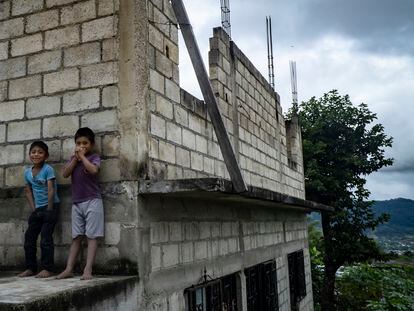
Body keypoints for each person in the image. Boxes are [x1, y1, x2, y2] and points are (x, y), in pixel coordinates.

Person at [56, 127, 104, 280]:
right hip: (77, 203)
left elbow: (94, 171)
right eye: (78, 143)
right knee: (76, 237)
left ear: (92, 144)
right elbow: (65, 174)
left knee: (91, 237)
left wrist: (83, 158)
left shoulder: (94, 157)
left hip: (93, 201)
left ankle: (88, 270)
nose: (82, 146)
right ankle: (69, 269)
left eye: (85, 143)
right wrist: (75, 159)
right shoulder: (73, 159)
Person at [18, 141, 60, 278]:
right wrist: (34, 209)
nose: (36, 154)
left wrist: (49, 208)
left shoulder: (48, 169)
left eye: (40, 152)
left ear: (46, 156)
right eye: (33, 152)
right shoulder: (27, 173)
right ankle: (30, 267)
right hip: (37, 209)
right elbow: (28, 191)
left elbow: (51, 189)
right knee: (29, 237)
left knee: (45, 238)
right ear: (29, 154)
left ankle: (48, 268)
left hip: (51, 207)